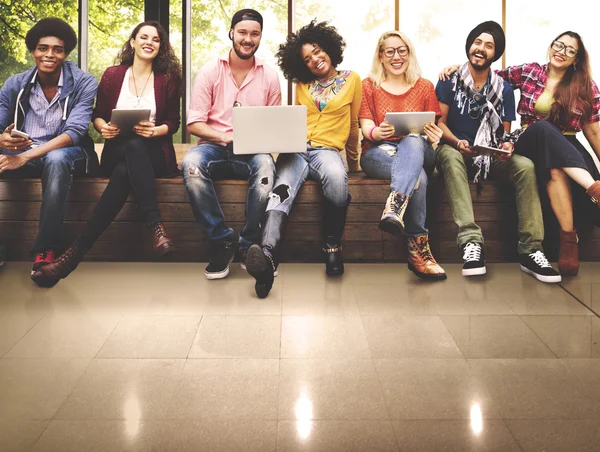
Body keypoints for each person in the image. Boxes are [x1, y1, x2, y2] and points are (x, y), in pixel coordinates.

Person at [31, 21, 182, 287]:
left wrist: (155, 130)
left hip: (154, 154)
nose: (149, 42)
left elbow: (173, 121)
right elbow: (97, 115)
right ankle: (155, 226)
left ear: (161, 47)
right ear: (133, 42)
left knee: (133, 156)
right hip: (116, 150)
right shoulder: (113, 75)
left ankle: (71, 257)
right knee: (129, 151)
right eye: (143, 37)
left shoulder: (167, 78)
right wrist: (105, 128)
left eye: (156, 39)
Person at [435, 21, 560, 283]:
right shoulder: (449, 80)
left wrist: (504, 148)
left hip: (488, 157)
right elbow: (439, 123)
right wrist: (458, 142)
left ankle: (531, 249)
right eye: (477, 42)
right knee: (447, 154)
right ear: (469, 46)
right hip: (457, 151)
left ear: (496, 53)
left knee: (525, 165)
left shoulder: (503, 88)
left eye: (489, 45)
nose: (481, 49)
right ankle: (471, 243)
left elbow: (503, 133)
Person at [245, 19, 361, 298]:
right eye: (307, 59)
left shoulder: (352, 80)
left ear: (330, 48)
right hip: (296, 149)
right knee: (280, 192)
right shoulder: (301, 85)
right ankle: (268, 255)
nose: (315, 60)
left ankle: (332, 245)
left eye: (318, 51)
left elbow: (354, 124)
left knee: (336, 178)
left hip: (327, 150)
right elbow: (293, 119)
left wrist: (355, 164)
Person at [181, 9, 279, 280]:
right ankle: (221, 241)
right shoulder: (210, 71)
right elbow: (194, 124)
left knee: (266, 166)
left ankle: (249, 245)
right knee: (191, 163)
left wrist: (262, 139)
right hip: (213, 146)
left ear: (260, 37)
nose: (248, 39)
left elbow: (274, 125)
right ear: (232, 33)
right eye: (243, 32)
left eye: (255, 34)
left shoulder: (270, 76)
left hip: (251, 151)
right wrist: (225, 137)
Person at [495, 32, 600, 277]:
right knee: (543, 127)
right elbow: (490, 76)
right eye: (558, 45)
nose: (561, 51)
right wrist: (459, 68)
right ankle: (595, 188)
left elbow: (593, 133)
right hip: (529, 139)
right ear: (551, 46)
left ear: (576, 59)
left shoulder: (586, 86)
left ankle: (568, 240)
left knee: (555, 165)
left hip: (567, 146)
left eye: (570, 50)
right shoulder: (531, 71)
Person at [0, 18, 98, 278]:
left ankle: (46, 250)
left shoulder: (84, 82)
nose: (49, 55)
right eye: (43, 48)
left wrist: (23, 157)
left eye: (57, 49)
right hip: (26, 151)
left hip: (71, 154)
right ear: (33, 51)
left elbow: (75, 132)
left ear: (65, 54)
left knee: (55, 159)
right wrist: (3, 140)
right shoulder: (14, 84)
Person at [359, 30, 446, 280]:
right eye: (390, 51)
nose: (397, 56)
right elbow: (366, 128)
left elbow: (434, 128)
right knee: (417, 176)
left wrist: (434, 136)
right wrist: (377, 132)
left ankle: (395, 206)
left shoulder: (424, 86)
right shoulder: (369, 86)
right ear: (381, 56)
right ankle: (419, 251)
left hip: (420, 150)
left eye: (402, 50)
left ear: (409, 54)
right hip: (379, 153)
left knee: (413, 139)